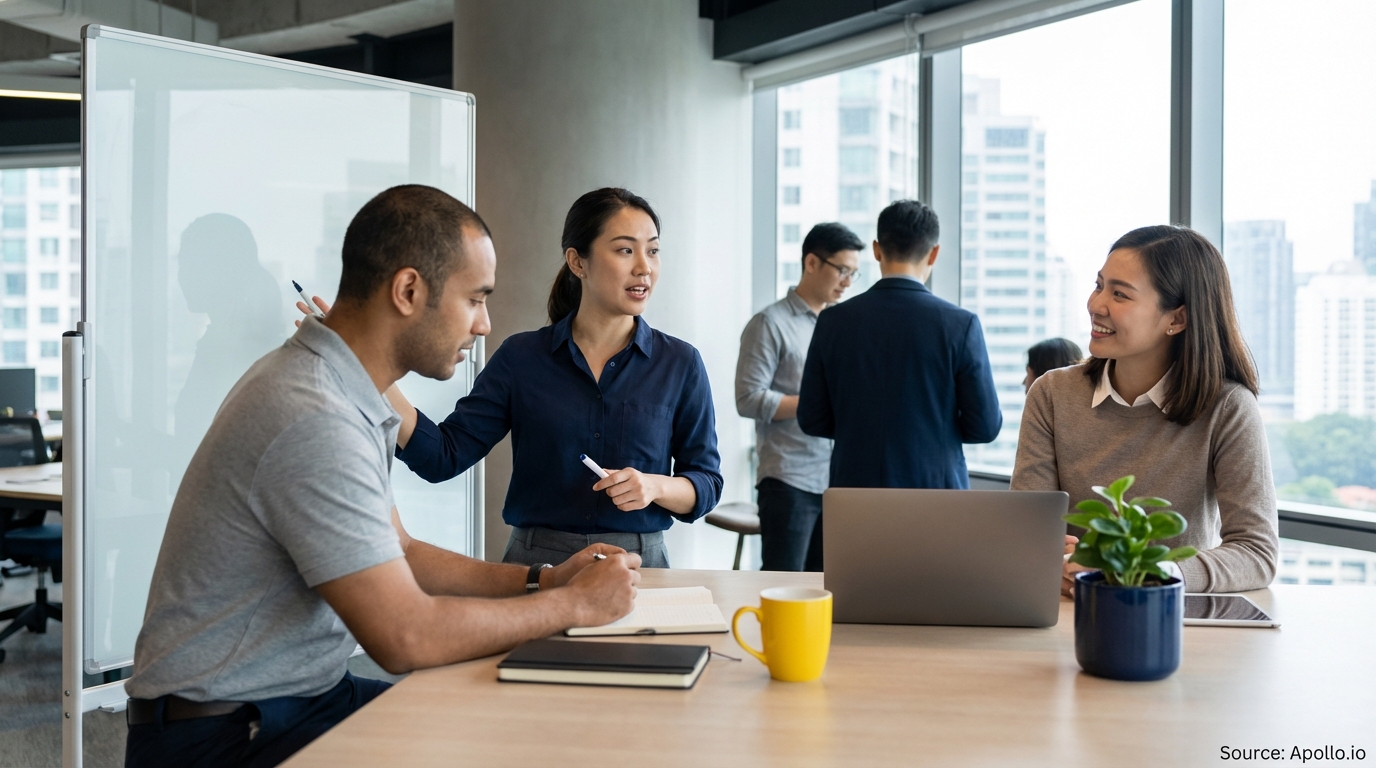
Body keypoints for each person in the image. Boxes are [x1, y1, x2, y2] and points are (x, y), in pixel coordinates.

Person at [124, 186, 640, 768]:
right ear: (409, 290)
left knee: (507, 727)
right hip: (228, 733)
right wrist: (574, 607)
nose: (484, 325)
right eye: (475, 300)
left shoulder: (345, 392)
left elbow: (402, 551)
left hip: (301, 698)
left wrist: (542, 582)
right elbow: (405, 637)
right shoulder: (314, 415)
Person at [368, 187, 722, 569]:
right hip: (535, 569)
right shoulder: (521, 358)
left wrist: (655, 486)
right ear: (577, 261)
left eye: (652, 250)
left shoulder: (680, 363)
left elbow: (705, 482)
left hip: (639, 567)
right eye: (625, 250)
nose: (644, 267)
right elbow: (443, 455)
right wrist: (370, 367)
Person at [1011, 225, 1279, 595]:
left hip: (1176, 623)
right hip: (1063, 614)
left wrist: (1146, 573)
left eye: (1120, 294)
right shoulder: (1052, 394)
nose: (1096, 304)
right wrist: (1048, 559)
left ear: (1177, 319)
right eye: (1099, 285)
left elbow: (1256, 553)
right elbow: (1026, 531)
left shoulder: (1228, 408)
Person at [798, 199, 1002, 489]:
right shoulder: (960, 324)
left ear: (877, 249)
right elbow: (985, 426)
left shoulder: (833, 321)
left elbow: (811, 418)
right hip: (936, 492)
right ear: (933, 254)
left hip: (854, 491)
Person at [736, 223, 863, 572]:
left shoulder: (840, 326)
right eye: (842, 270)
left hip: (836, 480)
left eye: (854, 273)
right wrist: (816, 403)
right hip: (788, 478)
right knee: (782, 584)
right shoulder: (770, 323)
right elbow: (748, 398)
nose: (848, 282)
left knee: (828, 587)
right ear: (811, 262)